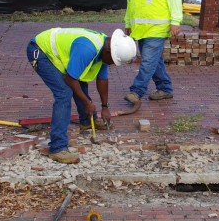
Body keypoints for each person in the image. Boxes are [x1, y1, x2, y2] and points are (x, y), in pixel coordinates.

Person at [27, 27, 138, 164]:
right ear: (109, 51)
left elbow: (102, 79)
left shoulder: (105, 47)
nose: (112, 64)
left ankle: (86, 122)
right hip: (40, 51)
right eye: (113, 61)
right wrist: (87, 102)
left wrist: (104, 107)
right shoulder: (88, 49)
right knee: (64, 93)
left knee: (80, 82)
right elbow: (70, 79)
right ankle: (57, 148)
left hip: (57, 53)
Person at [123, 0, 183, 104]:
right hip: (140, 29)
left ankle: (136, 91)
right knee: (154, 61)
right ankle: (165, 88)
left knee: (148, 61)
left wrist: (175, 22)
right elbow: (131, 2)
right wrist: (128, 23)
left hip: (157, 29)